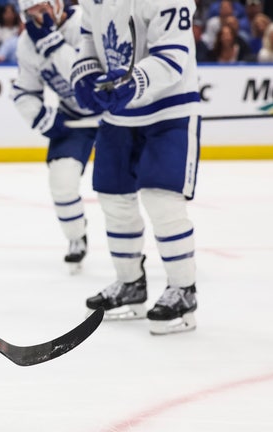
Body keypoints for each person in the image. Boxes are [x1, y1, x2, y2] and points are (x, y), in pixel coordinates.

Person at [71, 0, 200, 335]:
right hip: (119, 113)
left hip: (168, 109)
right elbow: (88, 37)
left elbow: (174, 55)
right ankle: (130, 283)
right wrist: (84, 72)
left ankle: (183, 290)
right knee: (113, 197)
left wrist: (134, 81)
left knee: (162, 199)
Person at [10, 0, 98, 273]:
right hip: (73, 119)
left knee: (129, 188)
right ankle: (76, 237)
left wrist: (52, 43)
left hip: (114, 117)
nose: (38, 16)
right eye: (31, 12)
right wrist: (42, 118)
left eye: (43, 8)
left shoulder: (87, 21)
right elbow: (24, 90)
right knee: (62, 181)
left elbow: (87, 80)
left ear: (58, 4)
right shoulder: (27, 42)